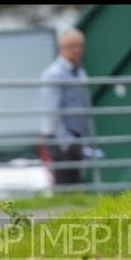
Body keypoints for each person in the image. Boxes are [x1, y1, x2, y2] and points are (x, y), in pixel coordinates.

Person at [40, 28, 94, 185]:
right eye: (72, 46)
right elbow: (52, 112)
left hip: (75, 136)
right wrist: (66, 142)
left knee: (76, 183)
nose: (77, 50)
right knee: (64, 186)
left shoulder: (79, 71)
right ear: (61, 48)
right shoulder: (54, 74)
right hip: (60, 138)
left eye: (79, 46)